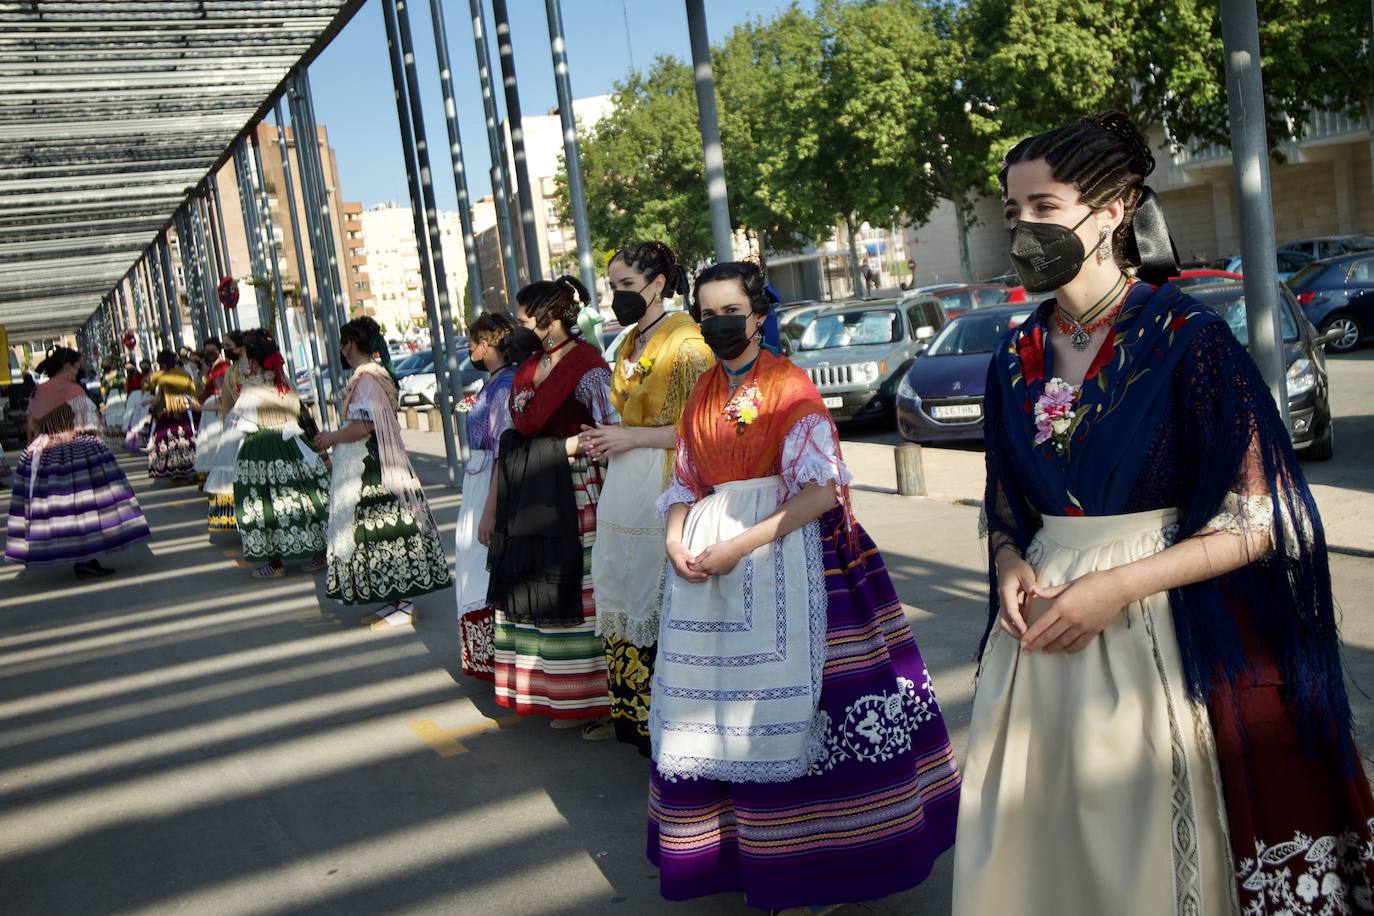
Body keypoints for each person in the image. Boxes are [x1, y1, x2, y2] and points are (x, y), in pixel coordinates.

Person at [955, 111, 1374, 916]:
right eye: (1014, 214)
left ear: (1112, 209)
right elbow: (1007, 499)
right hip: (1040, 649)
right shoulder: (1013, 353)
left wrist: (1117, 587)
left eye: (1044, 209)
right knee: (1042, 855)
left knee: (1157, 852)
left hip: (1166, 629)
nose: (1024, 230)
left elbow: (1260, 521)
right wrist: (1009, 563)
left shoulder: (1188, 337)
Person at [648, 261, 960, 912]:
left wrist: (739, 542)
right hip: (713, 571)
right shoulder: (702, 391)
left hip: (797, 559)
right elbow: (683, 481)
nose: (717, 323)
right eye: (706, 314)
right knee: (720, 719)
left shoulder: (790, 386)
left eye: (729, 311)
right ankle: (751, 862)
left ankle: (819, 874)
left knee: (807, 713)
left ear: (758, 316)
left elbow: (820, 492)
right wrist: (676, 538)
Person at [579, 242, 713, 750]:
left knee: (656, 594)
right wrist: (611, 437)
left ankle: (674, 721)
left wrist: (631, 437)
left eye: (627, 286)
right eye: (613, 287)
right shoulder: (633, 338)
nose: (618, 296)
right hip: (627, 480)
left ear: (658, 284)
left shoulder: (687, 342)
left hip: (664, 480)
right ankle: (636, 718)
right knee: (623, 587)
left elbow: (704, 427)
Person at [483, 276, 615, 725]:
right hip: (531, 484)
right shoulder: (530, 365)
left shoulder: (588, 364)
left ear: (550, 316)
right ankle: (560, 694)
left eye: (523, 318)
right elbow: (516, 428)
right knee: (538, 583)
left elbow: (609, 426)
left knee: (583, 588)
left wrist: (577, 449)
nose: (517, 327)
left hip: (577, 490)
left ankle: (599, 702)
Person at [316, 317, 450, 627]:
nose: (340, 349)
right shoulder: (374, 375)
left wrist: (331, 437)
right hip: (374, 459)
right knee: (380, 532)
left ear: (349, 344)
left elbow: (365, 426)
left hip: (372, 464)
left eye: (342, 343)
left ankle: (400, 602)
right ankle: (393, 600)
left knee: (381, 531)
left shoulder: (368, 380)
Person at [5, 347, 150, 575]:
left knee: (60, 508)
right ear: (66, 366)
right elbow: (87, 423)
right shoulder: (72, 389)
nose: (78, 370)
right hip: (74, 449)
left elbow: (32, 428)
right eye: (76, 366)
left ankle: (76, 555)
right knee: (85, 505)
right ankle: (86, 558)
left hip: (44, 452)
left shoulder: (37, 392)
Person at [454, 313, 523, 678]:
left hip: (488, 483)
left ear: (489, 344)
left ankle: (498, 660)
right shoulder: (496, 383)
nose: (470, 348)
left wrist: (489, 510)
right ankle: (488, 657)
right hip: (479, 478)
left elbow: (502, 450)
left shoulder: (503, 386)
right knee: (474, 566)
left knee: (482, 567)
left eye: (474, 341)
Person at [231, 332, 328, 578]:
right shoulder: (284, 382)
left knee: (264, 502)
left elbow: (247, 423)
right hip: (293, 442)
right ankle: (320, 552)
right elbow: (298, 411)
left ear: (253, 360)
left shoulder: (252, 387)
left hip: (263, 446)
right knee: (307, 495)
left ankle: (275, 563)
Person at [204, 331, 249, 535]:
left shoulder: (252, 367)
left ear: (239, 346)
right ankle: (236, 515)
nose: (226, 349)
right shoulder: (231, 371)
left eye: (228, 345)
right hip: (236, 420)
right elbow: (226, 401)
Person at [145, 349, 199, 482]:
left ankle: (173, 468)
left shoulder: (161, 378)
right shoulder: (184, 374)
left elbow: (159, 397)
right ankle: (192, 466)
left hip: (169, 410)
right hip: (185, 408)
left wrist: (151, 408)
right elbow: (193, 392)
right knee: (189, 436)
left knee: (168, 439)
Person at [193, 338, 228, 487]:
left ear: (219, 351)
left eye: (212, 351)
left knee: (217, 444)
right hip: (210, 411)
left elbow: (222, 394)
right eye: (206, 352)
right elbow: (202, 392)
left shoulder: (223, 367)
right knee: (212, 446)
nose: (209, 354)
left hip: (217, 411)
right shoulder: (211, 369)